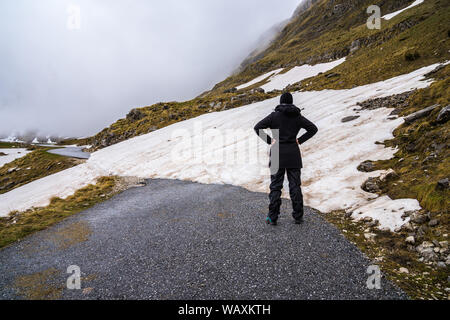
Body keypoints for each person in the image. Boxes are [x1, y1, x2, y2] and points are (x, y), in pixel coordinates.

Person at [254, 92, 318, 226]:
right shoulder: (297, 116)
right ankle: (298, 216)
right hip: (293, 153)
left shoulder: (274, 116)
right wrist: (299, 140)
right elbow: (313, 129)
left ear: (281, 101)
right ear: (291, 101)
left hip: (277, 151)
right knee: (295, 186)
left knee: (276, 187)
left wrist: (269, 140)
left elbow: (257, 127)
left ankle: (272, 217)